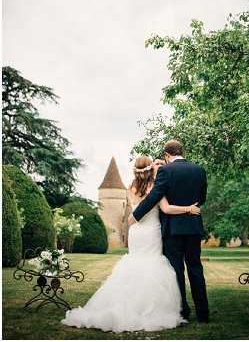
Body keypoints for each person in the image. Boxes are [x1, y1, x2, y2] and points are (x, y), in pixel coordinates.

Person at [62, 155, 200, 332]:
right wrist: (188, 208)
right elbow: (166, 209)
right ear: (151, 169)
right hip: (151, 231)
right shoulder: (156, 187)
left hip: (136, 232)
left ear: (136, 170)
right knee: (151, 264)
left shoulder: (130, 188)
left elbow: (131, 212)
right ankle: (147, 308)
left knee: (135, 263)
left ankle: (125, 305)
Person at [129, 140, 209, 323]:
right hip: (194, 226)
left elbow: (155, 196)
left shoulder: (166, 171)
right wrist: (190, 208)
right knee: (196, 268)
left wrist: (135, 216)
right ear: (182, 151)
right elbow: (201, 198)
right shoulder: (199, 170)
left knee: (177, 270)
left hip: (173, 229)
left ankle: (182, 311)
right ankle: (203, 313)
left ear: (166, 154)